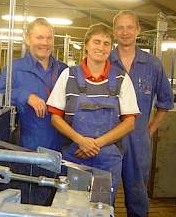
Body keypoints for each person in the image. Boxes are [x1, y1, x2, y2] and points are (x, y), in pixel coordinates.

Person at [47, 23, 139, 203]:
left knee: (102, 206)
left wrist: (96, 144)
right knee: (71, 205)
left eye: (106, 43)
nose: (101, 47)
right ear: (86, 45)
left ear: (110, 49)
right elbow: (55, 118)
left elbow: (130, 123)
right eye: (96, 42)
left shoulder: (121, 78)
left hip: (108, 159)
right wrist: (81, 141)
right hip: (75, 156)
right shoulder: (68, 75)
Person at [110, 10, 174, 217]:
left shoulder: (153, 64)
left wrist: (150, 130)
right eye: (120, 27)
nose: (125, 32)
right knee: (102, 192)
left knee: (137, 196)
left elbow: (165, 102)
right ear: (114, 31)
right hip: (106, 138)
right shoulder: (104, 60)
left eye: (130, 27)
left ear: (138, 30)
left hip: (138, 140)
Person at [0, 18, 67, 151]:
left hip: (62, 146)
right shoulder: (15, 68)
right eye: (39, 37)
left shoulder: (63, 70)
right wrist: (26, 96)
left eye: (49, 38)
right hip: (29, 146)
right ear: (28, 40)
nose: (45, 43)